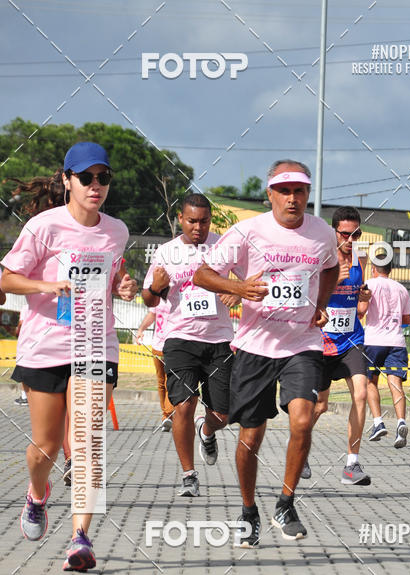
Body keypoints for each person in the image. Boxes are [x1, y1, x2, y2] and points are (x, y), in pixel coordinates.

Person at [1, 141, 137, 571]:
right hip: (46, 346)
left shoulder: (117, 231)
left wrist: (123, 287)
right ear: (67, 180)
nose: (96, 185)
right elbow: (7, 278)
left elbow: (112, 276)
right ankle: (37, 494)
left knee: (87, 441)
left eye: (103, 178)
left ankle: (81, 538)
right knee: (44, 447)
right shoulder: (44, 227)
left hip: (97, 344)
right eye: (86, 177)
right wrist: (46, 287)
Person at [194, 160, 339, 546]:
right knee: (250, 438)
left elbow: (331, 268)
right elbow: (202, 275)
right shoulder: (247, 232)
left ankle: (286, 503)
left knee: (303, 421)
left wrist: (320, 304)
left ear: (308, 195)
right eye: (284, 191)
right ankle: (248, 509)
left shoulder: (322, 232)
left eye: (300, 191)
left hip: (302, 343)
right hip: (256, 347)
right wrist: (239, 288)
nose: (293, 199)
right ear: (270, 194)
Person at [142, 193, 237, 497]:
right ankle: (188, 474)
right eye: (192, 221)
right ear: (181, 219)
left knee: (223, 414)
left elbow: (246, 279)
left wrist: (237, 292)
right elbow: (148, 298)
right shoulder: (166, 253)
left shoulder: (225, 245)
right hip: (180, 337)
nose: (198, 227)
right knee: (183, 405)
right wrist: (155, 288)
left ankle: (206, 431)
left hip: (219, 337)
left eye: (204, 221)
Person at [310, 206, 372, 485]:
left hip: (352, 340)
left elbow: (358, 308)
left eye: (355, 233)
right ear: (334, 231)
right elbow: (308, 293)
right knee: (320, 406)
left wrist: (365, 297)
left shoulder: (361, 258)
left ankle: (352, 464)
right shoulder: (322, 257)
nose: (350, 239)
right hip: (322, 342)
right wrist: (334, 280)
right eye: (345, 234)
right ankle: (299, 449)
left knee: (361, 394)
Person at [363, 246, 410, 448]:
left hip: (373, 340)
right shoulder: (401, 288)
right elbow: (407, 319)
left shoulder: (369, 285)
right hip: (396, 342)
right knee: (395, 384)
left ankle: (378, 422)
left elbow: (361, 310)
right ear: (390, 270)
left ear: (374, 269)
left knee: (370, 382)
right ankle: (401, 422)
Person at [134, 302, 175, 432]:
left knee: (171, 381)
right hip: (157, 345)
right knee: (161, 382)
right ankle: (166, 415)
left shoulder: (180, 293)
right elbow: (152, 314)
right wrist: (141, 330)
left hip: (175, 346)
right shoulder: (158, 296)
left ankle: (168, 414)